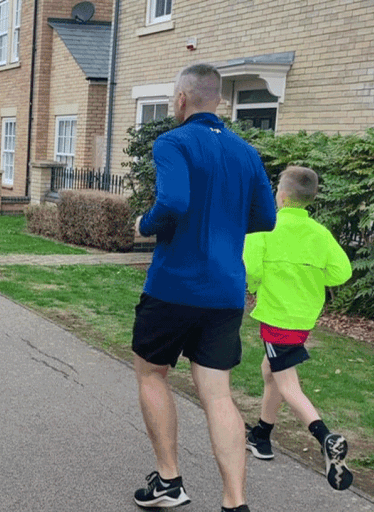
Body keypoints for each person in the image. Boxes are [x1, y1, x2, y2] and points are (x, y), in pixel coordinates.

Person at [131, 64, 276, 512]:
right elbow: (266, 217)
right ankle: (235, 502)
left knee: (152, 373)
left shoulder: (172, 142)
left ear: (181, 100)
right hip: (226, 291)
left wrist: (144, 224)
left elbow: (173, 201)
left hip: (174, 286)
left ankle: (169, 481)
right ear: (218, 101)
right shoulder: (246, 152)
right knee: (218, 394)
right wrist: (225, 225)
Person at [243, 166, 354, 491]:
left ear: (281, 195)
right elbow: (342, 272)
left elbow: (250, 267)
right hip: (303, 318)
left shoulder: (265, 227)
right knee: (270, 369)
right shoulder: (320, 233)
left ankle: (325, 437)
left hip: (278, 317)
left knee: (287, 383)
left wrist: (256, 286)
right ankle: (262, 435)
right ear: (311, 198)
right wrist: (311, 277)